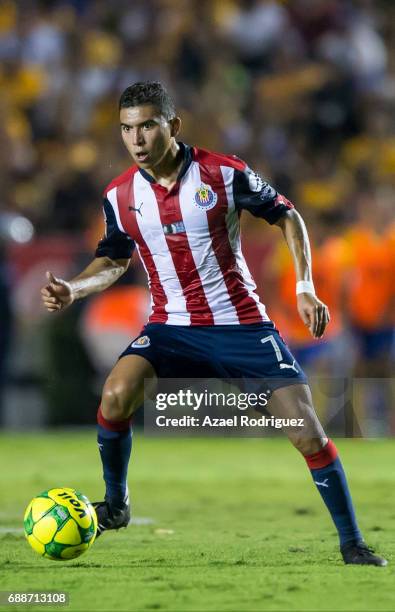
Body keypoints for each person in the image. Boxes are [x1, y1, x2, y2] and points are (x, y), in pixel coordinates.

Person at [41, 81, 386, 566]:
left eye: (146, 127)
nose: (136, 139)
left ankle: (353, 543)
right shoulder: (119, 196)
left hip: (240, 326)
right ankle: (115, 505)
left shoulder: (221, 173)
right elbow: (114, 259)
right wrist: (73, 289)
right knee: (116, 394)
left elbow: (288, 216)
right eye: (126, 129)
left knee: (308, 431)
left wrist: (304, 286)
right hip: (169, 328)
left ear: (172, 126)